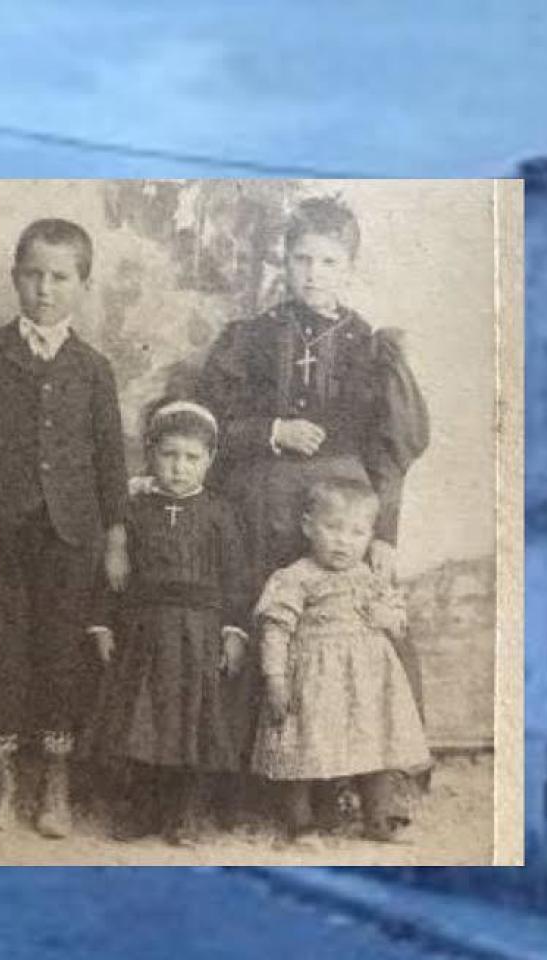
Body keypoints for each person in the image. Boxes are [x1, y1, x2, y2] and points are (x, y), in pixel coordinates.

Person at [196, 196, 429, 721]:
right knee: (263, 614)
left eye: (328, 262)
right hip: (261, 505)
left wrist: (385, 532)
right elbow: (209, 425)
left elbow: (391, 452)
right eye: (302, 259)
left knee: (354, 621)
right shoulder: (252, 336)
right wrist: (272, 430)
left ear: (350, 268)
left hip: (343, 510)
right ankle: (259, 775)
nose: (313, 274)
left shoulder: (371, 349)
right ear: (285, 258)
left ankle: (357, 771)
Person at [0, 217, 129, 838]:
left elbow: (110, 460)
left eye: (60, 277)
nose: (44, 290)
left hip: (73, 535)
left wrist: (117, 535)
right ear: (15, 277)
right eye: (33, 275)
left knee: (61, 655)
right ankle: (1, 779)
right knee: (2, 650)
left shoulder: (93, 368)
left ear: (82, 285)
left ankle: (55, 781)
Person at [91, 401, 254, 846]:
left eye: (191, 458)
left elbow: (237, 579)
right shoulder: (134, 512)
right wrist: (103, 625)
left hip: (198, 634)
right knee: (144, 724)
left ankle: (185, 812)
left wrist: (234, 631)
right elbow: (110, 577)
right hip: (145, 633)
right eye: (169, 455)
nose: (179, 468)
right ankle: (143, 807)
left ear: (209, 460)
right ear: (151, 454)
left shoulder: (220, 514)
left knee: (191, 723)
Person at [251, 478, 429, 846]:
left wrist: (389, 617)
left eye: (356, 532)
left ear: (369, 537)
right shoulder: (296, 577)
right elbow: (275, 629)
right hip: (315, 681)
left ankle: (376, 819)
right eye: (332, 528)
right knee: (304, 746)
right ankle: (301, 824)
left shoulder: (369, 577)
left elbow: (396, 620)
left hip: (367, 681)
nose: (343, 541)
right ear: (308, 527)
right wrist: (275, 678)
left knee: (376, 743)